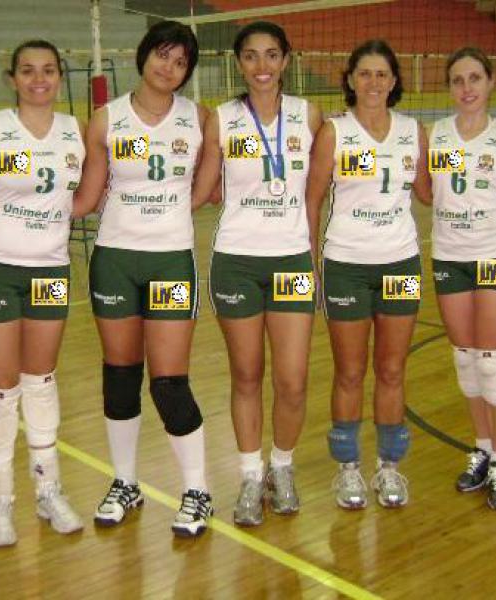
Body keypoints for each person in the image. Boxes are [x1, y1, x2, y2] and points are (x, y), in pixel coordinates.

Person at [0, 40, 85, 546]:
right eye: (27, 71)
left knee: (41, 381)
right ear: (12, 79)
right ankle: (0, 503)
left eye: (48, 70)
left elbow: (95, 190)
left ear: (60, 76)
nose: (38, 79)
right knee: (2, 388)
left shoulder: (77, 131)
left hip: (49, 269)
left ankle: (49, 491)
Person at [86, 21, 212, 538]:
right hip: (115, 259)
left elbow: (206, 189)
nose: (169, 68)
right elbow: (89, 193)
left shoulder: (199, 119)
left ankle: (197, 491)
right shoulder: (105, 119)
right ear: (143, 56)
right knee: (120, 376)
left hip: (170, 261)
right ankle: (125, 482)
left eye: (180, 62)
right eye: (163, 55)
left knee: (169, 382)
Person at [193, 21, 322, 527]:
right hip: (237, 261)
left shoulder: (310, 117)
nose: (262, 66)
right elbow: (202, 188)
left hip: (292, 261)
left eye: (271, 55)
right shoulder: (221, 120)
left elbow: (318, 193)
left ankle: (281, 468)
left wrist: (315, 257)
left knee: (292, 380)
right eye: (251, 56)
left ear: (286, 60)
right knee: (246, 375)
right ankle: (250, 474)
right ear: (239, 63)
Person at [305, 39, 431, 510]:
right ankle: (348, 469)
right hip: (347, 265)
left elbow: (432, 192)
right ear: (351, 80)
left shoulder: (414, 132)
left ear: (394, 81)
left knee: (393, 369)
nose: (374, 82)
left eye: (382, 74)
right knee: (351, 371)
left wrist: (484, 166)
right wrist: (311, 263)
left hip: (401, 263)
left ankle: (389, 466)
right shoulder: (334, 133)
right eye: (365, 73)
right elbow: (312, 200)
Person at [429, 47, 496, 510]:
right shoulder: (435, 136)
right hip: (449, 256)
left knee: (492, 360)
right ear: (449, 87)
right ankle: (482, 449)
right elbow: (422, 189)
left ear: (490, 82)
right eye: (457, 80)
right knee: (466, 359)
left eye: (474, 78)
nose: (466, 88)